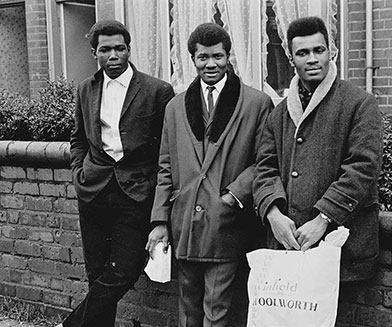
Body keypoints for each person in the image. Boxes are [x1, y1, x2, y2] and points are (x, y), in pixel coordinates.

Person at [146, 23, 273, 327]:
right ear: (192, 59)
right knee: (188, 310)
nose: (210, 64)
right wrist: (160, 220)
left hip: (225, 225)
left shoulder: (257, 104)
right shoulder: (175, 107)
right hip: (185, 224)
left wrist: (233, 196)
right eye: (203, 57)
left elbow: (265, 161)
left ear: (228, 57)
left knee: (218, 311)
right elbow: (165, 165)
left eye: (217, 56)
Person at [253, 16, 383, 282]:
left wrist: (324, 219)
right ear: (291, 59)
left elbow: (362, 167)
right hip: (288, 248)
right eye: (302, 53)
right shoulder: (278, 115)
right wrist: (273, 214)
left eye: (318, 50)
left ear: (330, 52)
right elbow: (265, 168)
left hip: (341, 248)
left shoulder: (359, 103)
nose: (312, 59)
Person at [63, 20, 174, 327]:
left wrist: (153, 187)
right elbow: (78, 139)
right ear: (94, 52)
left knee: (124, 270)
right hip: (94, 189)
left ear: (128, 50)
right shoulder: (86, 89)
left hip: (136, 193)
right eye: (105, 49)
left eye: (119, 48)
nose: (113, 55)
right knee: (96, 275)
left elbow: (166, 149)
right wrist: (78, 172)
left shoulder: (156, 91)